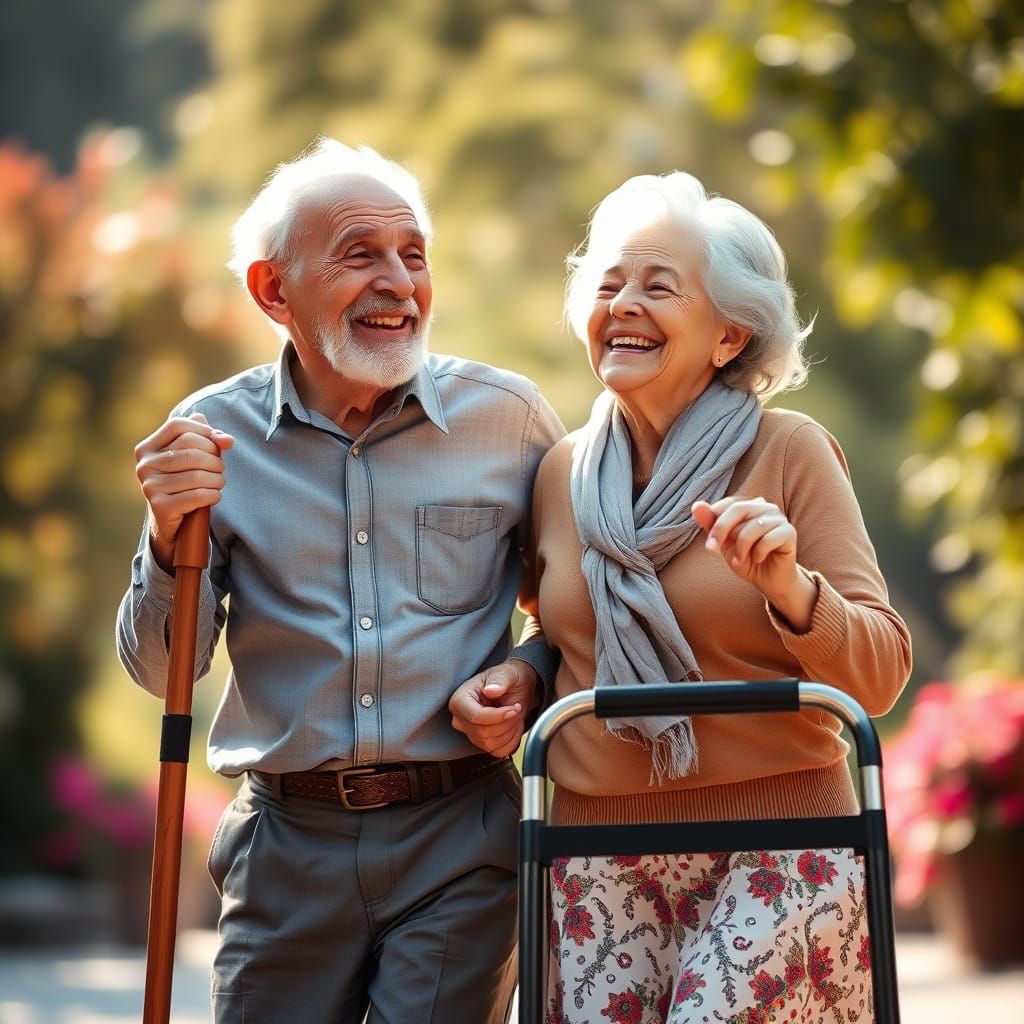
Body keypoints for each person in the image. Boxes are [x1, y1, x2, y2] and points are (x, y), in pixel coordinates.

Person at [116, 137, 564, 1024]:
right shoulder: (210, 435)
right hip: (286, 846)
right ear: (273, 291)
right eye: (360, 255)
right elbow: (162, 669)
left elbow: (573, 613)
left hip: (461, 838)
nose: (398, 282)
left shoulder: (510, 421)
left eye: (413, 255)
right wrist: (167, 540)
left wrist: (529, 672)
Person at [450, 171, 911, 1023]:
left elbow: (879, 675)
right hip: (595, 856)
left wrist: (788, 587)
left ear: (729, 336)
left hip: (783, 846)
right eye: (609, 285)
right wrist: (522, 673)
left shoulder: (790, 450)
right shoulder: (560, 473)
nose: (623, 303)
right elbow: (558, 633)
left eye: (658, 286)